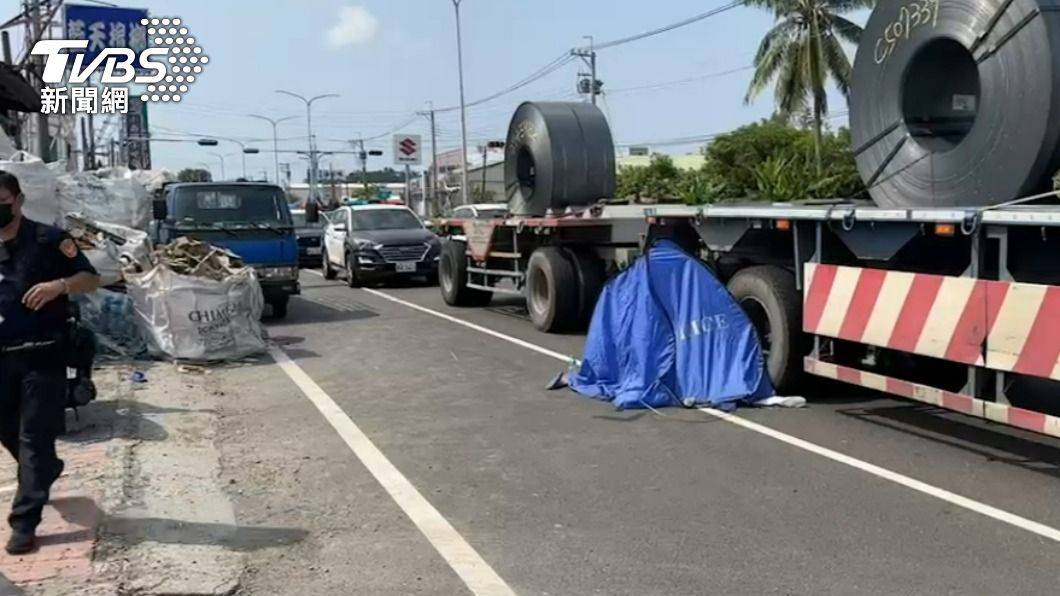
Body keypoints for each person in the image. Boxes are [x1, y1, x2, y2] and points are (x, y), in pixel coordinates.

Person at [0, 171, 99, 555]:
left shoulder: (49, 240)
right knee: (10, 432)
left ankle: (24, 522)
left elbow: (90, 277)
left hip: (42, 353)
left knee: (34, 438)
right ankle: (43, 472)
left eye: (2, 203)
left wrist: (60, 286)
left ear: (19, 201)